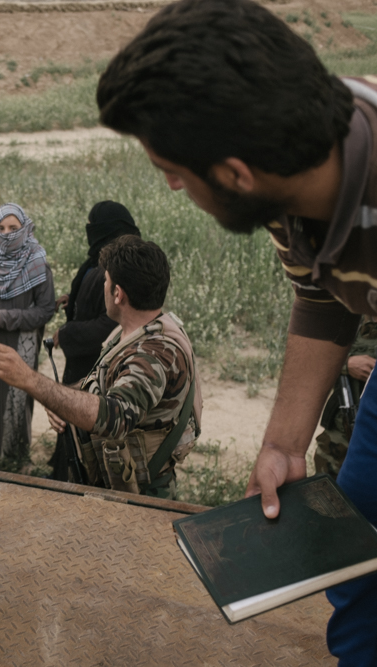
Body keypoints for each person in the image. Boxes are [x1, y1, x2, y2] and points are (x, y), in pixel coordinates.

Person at [95, 0, 377, 658]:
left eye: (174, 171)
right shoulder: (297, 159)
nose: (169, 186)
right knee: (357, 552)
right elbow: (321, 290)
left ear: (235, 175)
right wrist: (283, 443)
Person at [0, 236, 202, 498]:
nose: (104, 287)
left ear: (118, 294)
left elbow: (114, 416)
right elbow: (103, 386)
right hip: (117, 490)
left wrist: (30, 380)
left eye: (105, 281)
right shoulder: (131, 332)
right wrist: (58, 399)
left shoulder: (154, 354)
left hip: (140, 498)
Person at [48, 200, 140, 481]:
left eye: (92, 224)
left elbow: (109, 324)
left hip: (94, 364)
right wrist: (71, 302)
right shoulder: (99, 260)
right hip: (81, 361)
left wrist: (65, 334)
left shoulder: (118, 267)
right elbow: (92, 300)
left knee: (83, 420)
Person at [0, 203, 55, 471]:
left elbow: (45, 310)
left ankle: (12, 464)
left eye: (13, 228)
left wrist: (4, 318)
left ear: (25, 228)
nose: (6, 234)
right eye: (1, 228)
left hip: (18, 347)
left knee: (13, 406)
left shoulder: (37, 262)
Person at [314, 318, 377, 477]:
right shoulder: (348, 315)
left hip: (370, 436)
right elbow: (312, 358)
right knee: (325, 491)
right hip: (339, 433)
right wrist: (346, 364)